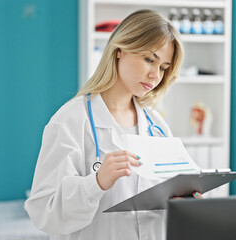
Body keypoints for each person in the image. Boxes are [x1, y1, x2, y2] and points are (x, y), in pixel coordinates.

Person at [25, 9, 202, 240]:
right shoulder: (70, 120)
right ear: (120, 51)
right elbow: (44, 212)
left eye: (163, 67)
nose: (155, 75)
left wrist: (182, 202)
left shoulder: (156, 125)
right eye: (150, 59)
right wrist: (97, 182)